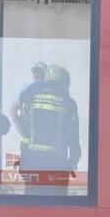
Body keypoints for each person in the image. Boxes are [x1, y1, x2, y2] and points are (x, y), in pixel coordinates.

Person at [18, 64, 81, 194]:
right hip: (56, 162)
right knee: (56, 203)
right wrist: (74, 159)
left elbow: (23, 126)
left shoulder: (30, 98)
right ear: (64, 82)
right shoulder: (68, 102)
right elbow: (73, 135)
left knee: (32, 200)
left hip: (30, 160)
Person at [10, 61, 47, 140]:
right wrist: (20, 130)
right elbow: (13, 109)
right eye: (34, 72)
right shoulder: (26, 88)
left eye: (39, 72)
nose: (36, 75)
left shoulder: (49, 90)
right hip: (28, 134)